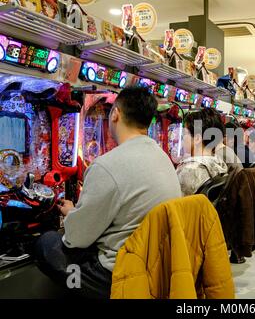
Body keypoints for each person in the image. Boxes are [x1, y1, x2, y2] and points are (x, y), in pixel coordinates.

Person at [34, 87, 182, 299]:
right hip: (158, 267)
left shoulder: (107, 165)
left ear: (115, 114)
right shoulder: (163, 158)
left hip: (119, 274)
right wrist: (78, 213)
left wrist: (73, 218)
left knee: (47, 244)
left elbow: (76, 238)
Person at [176, 108, 228, 196]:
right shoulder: (219, 162)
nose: (182, 138)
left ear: (197, 138)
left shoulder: (189, 169)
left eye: (184, 134)